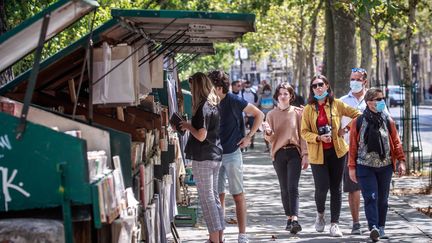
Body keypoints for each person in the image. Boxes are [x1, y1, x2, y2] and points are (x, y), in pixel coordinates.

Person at [300, 74, 361, 237]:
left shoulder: (337, 104)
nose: (318, 88)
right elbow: (304, 132)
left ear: (327, 86)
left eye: (321, 84)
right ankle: (320, 214)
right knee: (321, 188)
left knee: (336, 188)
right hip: (317, 153)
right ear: (312, 90)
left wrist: (345, 130)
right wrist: (318, 137)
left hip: (338, 151)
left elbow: (358, 115)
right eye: (314, 86)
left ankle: (335, 224)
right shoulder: (308, 109)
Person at [208, 70, 264, 243]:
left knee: (237, 195)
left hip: (232, 153)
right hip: (214, 155)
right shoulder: (209, 103)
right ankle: (219, 237)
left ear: (218, 88)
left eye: (210, 87)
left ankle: (242, 235)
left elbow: (259, 115)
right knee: (218, 198)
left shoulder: (233, 100)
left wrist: (249, 137)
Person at [348, 88, 406, 242]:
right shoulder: (358, 121)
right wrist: (351, 167)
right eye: (378, 99)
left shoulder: (388, 120)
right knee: (371, 197)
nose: (381, 102)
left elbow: (396, 142)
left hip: (385, 166)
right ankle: (373, 227)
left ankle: (381, 227)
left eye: (382, 99)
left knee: (383, 199)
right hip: (364, 166)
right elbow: (353, 146)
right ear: (369, 102)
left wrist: (401, 161)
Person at [182, 72, 224, 243]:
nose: (190, 89)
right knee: (213, 198)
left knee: (207, 199)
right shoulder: (213, 104)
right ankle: (218, 237)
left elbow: (201, 135)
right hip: (214, 155)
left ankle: (214, 239)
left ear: (197, 87)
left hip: (203, 157)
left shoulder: (202, 107)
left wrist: (187, 126)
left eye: (192, 86)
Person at [262, 82, 309, 234]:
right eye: (280, 94)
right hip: (279, 153)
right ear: (277, 96)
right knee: (284, 188)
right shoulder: (271, 115)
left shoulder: (297, 112)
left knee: (292, 187)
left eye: (286, 94)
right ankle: (289, 217)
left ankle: (295, 219)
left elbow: (303, 136)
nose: (283, 96)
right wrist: (268, 132)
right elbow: (269, 139)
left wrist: (305, 154)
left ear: (290, 96)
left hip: (294, 152)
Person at [241, 80, 259, 149]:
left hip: (252, 114)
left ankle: (252, 142)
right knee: (243, 129)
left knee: (252, 129)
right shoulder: (241, 93)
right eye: (246, 86)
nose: (247, 87)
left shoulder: (253, 93)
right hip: (243, 114)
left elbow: (256, 102)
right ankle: (244, 143)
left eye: (248, 86)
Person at [257, 84, 275, 152]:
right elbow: (257, 105)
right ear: (263, 91)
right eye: (265, 90)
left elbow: (276, 104)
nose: (267, 92)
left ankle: (272, 146)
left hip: (271, 117)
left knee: (272, 131)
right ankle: (267, 146)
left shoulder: (272, 97)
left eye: (268, 90)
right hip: (263, 117)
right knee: (265, 131)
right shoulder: (261, 97)